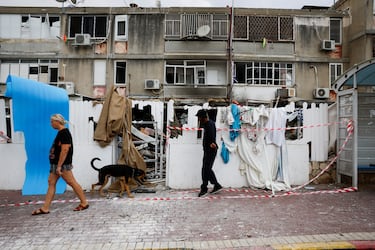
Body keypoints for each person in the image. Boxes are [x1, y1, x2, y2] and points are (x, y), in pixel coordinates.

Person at [32, 114, 89, 215]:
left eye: (52, 122)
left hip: (61, 165)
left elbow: (65, 150)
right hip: (56, 164)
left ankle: (84, 202)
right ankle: (45, 208)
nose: (51, 124)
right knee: (51, 182)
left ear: (57, 122)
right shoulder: (61, 132)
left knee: (71, 182)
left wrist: (59, 166)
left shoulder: (64, 133)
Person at [196, 109, 223, 197]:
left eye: (199, 117)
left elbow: (211, 136)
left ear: (203, 117)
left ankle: (204, 188)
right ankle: (216, 185)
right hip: (208, 150)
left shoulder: (209, 124)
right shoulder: (208, 124)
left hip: (210, 150)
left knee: (205, 170)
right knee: (207, 169)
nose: (199, 119)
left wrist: (212, 143)